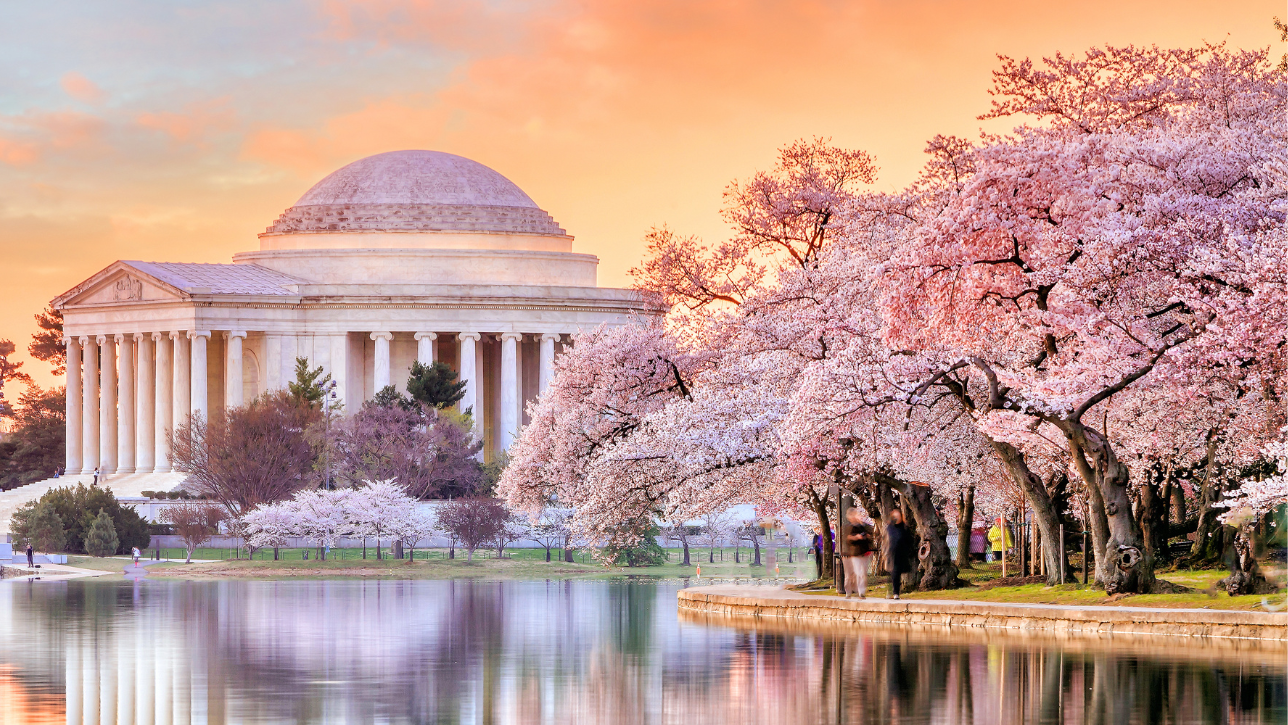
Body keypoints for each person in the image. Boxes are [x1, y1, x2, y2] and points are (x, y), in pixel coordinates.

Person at [841, 508, 874, 598]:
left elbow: (871, 533)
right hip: (854, 553)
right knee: (857, 573)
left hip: (864, 551)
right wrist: (856, 537)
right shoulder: (848, 527)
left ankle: (861, 591)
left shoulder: (862, 526)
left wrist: (866, 535)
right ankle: (855, 591)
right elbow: (848, 539)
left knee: (863, 573)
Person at [886, 509, 912, 600]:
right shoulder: (890, 527)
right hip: (892, 553)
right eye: (895, 516)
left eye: (898, 516)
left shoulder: (904, 527)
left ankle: (894, 591)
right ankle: (895, 592)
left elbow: (909, 539)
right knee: (894, 572)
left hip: (902, 553)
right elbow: (886, 539)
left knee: (897, 573)